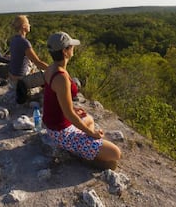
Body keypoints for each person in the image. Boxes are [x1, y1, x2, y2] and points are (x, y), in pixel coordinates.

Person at [42, 32, 121, 169]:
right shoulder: (60, 77)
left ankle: (83, 148)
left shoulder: (52, 68)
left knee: (89, 118)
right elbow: (69, 115)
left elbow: (58, 100)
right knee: (115, 153)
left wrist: (72, 108)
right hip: (61, 132)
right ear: (65, 51)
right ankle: (80, 153)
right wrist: (92, 133)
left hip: (54, 124)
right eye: (71, 46)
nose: (73, 48)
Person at [9, 15, 48, 81]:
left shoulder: (14, 39)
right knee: (48, 74)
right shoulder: (24, 42)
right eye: (28, 23)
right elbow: (38, 62)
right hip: (20, 80)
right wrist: (54, 69)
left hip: (12, 77)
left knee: (31, 65)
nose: (29, 25)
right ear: (24, 26)